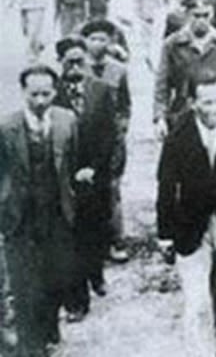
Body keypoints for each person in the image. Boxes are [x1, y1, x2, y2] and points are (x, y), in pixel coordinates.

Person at [156, 70, 216, 357]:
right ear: (192, 103)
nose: (214, 109)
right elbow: (166, 188)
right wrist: (165, 234)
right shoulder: (177, 140)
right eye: (207, 102)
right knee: (197, 300)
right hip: (192, 227)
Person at [0, 65, 80, 356]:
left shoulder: (67, 121)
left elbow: (73, 164)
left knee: (55, 279)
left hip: (57, 216)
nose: (40, 100)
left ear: (55, 92)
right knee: (24, 287)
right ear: (23, 92)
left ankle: (48, 333)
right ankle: (29, 348)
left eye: (46, 93)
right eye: (34, 94)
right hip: (20, 219)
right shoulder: (6, 128)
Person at [53, 37, 117, 321]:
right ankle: (77, 301)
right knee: (72, 238)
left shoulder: (101, 91)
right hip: (66, 179)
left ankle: (96, 274)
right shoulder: (52, 93)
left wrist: (95, 168)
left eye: (81, 62)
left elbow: (109, 134)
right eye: (70, 63)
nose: (76, 68)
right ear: (61, 63)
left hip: (96, 176)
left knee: (96, 229)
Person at [80, 20, 132, 262]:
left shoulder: (118, 70)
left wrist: (120, 128)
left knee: (111, 189)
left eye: (102, 39)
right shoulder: (77, 68)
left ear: (110, 42)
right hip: (84, 140)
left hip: (111, 140)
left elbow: (124, 105)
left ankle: (115, 240)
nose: (97, 44)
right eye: (93, 39)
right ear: (85, 41)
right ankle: (91, 241)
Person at [154, 0, 216, 140]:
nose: (201, 20)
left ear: (212, 14)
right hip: (183, 112)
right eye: (196, 16)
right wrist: (160, 118)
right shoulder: (173, 44)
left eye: (206, 15)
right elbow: (162, 85)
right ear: (187, 15)